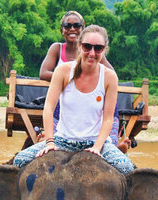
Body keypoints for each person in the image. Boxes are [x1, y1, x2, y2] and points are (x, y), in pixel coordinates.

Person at [13, 25, 134, 175]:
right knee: (19, 160)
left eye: (98, 48)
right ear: (79, 46)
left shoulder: (109, 77)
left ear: (104, 50)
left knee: (127, 168)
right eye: (87, 46)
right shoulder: (63, 71)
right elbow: (49, 109)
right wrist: (50, 142)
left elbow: (108, 119)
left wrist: (97, 147)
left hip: (96, 143)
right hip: (63, 141)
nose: (92, 53)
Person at [39, 12, 130, 153]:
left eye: (76, 25)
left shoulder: (97, 59)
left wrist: (91, 75)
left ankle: (111, 145)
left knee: (125, 167)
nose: (72, 29)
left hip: (95, 111)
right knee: (21, 160)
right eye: (67, 25)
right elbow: (43, 73)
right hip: (64, 104)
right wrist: (67, 80)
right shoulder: (58, 53)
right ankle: (47, 137)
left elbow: (111, 75)